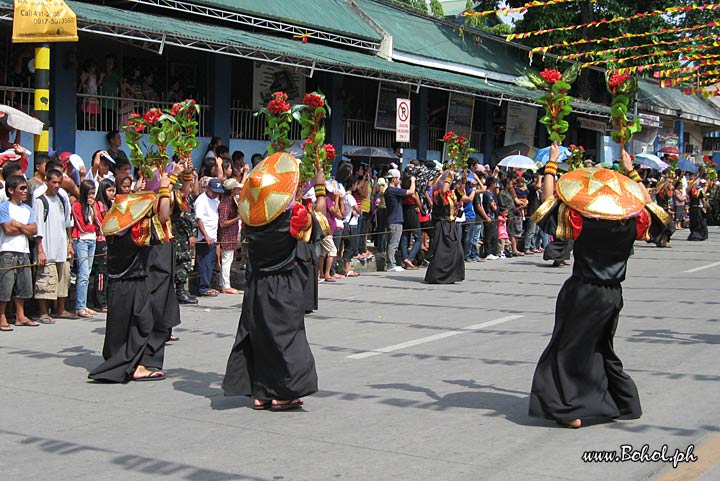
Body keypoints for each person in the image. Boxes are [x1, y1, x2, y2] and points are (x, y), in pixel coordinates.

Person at [528, 145, 670, 428]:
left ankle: (570, 409)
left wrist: (552, 165)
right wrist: (632, 172)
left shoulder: (582, 221)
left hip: (583, 292)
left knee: (568, 350)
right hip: (612, 295)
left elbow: (546, 207)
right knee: (599, 347)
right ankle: (621, 401)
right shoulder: (632, 225)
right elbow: (658, 214)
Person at [223, 152, 321, 410]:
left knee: (262, 336)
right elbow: (320, 225)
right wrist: (318, 186)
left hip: (257, 285)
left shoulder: (251, 222)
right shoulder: (293, 218)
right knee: (287, 338)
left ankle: (262, 392)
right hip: (283, 284)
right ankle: (283, 393)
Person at [89, 165, 180, 382]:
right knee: (143, 326)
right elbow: (165, 217)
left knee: (119, 328)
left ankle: (118, 362)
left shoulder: (112, 231)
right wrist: (166, 188)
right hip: (133, 284)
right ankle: (134, 366)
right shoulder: (136, 235)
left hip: (117, 285)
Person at [33, 169, 75, 323]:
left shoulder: (61, 199)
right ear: (46, 181)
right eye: (54, 182)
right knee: (45, 280)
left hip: (61, 246)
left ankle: (60, 309)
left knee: (63, 278)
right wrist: (40, 250)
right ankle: (43, 312)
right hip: (47, 247)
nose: (56, 186)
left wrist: (70, 243)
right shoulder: (40, 200)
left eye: (59, 182)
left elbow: (67, 223)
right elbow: (37, 227)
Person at [0, 175, 39, 331]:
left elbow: (33, 229)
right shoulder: (4, 207)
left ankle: (20, 316)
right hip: (7, 250)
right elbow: (7, 230)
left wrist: (17, 224)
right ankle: (2, 316)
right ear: (11, 190)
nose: (25, 191)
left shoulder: (27, 209)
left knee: (24, 285)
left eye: (26, 188)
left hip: (24, 250)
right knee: (5, 285)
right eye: (22, 188)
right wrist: (24, 228)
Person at [424, 171, 464, 284]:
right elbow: (443, 190)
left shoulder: (452, 194)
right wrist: (448, 176)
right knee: (441, 252)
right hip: (442, 225)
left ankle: (452, 275)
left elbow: (461, 192)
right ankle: (437, 276)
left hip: (451, 224)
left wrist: (464, 179)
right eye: (449, 181)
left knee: (457, 251)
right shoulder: (438, 194)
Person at [71, 180, 101, 318]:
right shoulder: (77, 206)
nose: (91, 196)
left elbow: (100, 224)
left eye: (93, 193)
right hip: (81, 240)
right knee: (83, 274)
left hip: (92, 240)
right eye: (89, 194)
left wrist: (94, 209)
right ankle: (80, 306)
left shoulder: (94, 206)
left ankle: (83, 304)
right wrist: (93, 227)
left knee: (88, 273)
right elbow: (82, 226)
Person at [89, 178, 115, 312]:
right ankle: (100, 302)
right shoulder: (98, 204)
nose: (112, 193)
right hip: (100, 240)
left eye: (113, 190)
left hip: (110, 239)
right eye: (109, 190)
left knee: (108, 272)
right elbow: (100, 223)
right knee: (101, 272)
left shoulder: (111, 204)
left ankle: (107, 299)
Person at [194, 178, 224, 296]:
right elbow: (199, 219)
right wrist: (205, 236)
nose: (215, 194)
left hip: (213, 236)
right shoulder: (201, 200)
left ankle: (207, 286)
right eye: (213, 191)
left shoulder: (215, 200)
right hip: (204, 237)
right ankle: (203, 288)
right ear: (207, 189)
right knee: (204, 263)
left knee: (210, 262)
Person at [384, 169, 415, 272]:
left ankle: (390, 263)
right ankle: (391, 264)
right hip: (395, 220)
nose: (400, 180)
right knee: (393, 244)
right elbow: (411, 191)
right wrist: (413, 181)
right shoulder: (393, 190)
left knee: (391, 243)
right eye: (398, 179)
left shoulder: (389, 190)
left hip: (392, 219)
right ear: (394, 179)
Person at [217, 178, 242, 294]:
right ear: (232, 190)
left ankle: (224, 283)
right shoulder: (225, 204)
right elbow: (223, 222)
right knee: (227, 259)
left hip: (232, 234)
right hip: (227, 235)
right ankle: (226, 285)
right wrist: (238, 218)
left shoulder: (232, 200)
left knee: (229, 259)